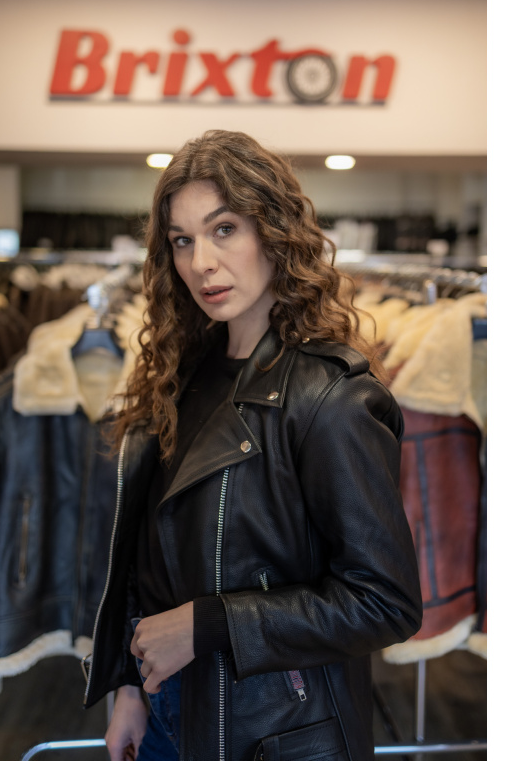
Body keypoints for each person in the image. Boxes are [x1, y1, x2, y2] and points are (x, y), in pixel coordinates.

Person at [83, 129, 423, 761]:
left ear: (274, 231)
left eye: (224, 229)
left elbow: (385, 602)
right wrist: (131, 685)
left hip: (271, 734)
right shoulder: (177, 374)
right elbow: (149, 552)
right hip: (167, 710)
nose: (201, 263)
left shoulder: (329, 398)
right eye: (182, 240)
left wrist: (209, 624)